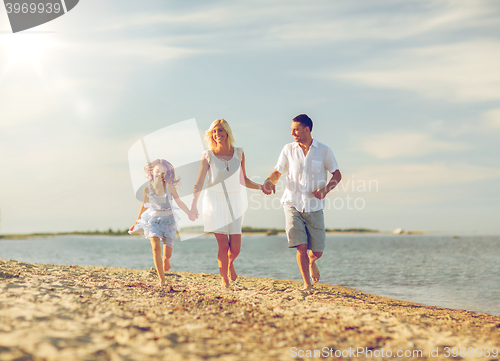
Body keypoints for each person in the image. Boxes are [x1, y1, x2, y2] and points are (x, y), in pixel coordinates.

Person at [262, 114, 342, 291]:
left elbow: (337, 174)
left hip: (315, 206)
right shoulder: (288, 149)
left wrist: (325, 190)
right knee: (301, 246)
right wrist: (269, 181)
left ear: (307, 129)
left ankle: (312, 262)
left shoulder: (324, 150)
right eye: (291, 130)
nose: (292, 133)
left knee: (317, 251)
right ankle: (306, 284)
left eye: (295, 130)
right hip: (292, 203)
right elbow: (277, 171)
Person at [190, 119, 264, 288]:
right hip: (214, 202)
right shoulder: (207, 155)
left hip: (235, 202)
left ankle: (230, 264)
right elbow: (199, 182)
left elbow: (244, 179)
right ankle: (224, 280)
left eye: (220, 131)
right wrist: (193, 205)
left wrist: (261, 187)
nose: (217, 135)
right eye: (214, 132)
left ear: (227, 132)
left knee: (235, 248)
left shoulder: (239, 153)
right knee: (223, 246)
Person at [129, 159, 192, 288]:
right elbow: (144, 206)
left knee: (167, 253)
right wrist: (136, 221)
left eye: (163, 172)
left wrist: (189, 212)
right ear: (153, 172)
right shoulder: (147, 189)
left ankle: (166, 259)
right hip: (152, 221)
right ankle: (162, 279)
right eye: (157, 171)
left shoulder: (170, 187)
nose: (160, 174)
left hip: (168, 221)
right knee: (155, 248)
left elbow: (179, 202)